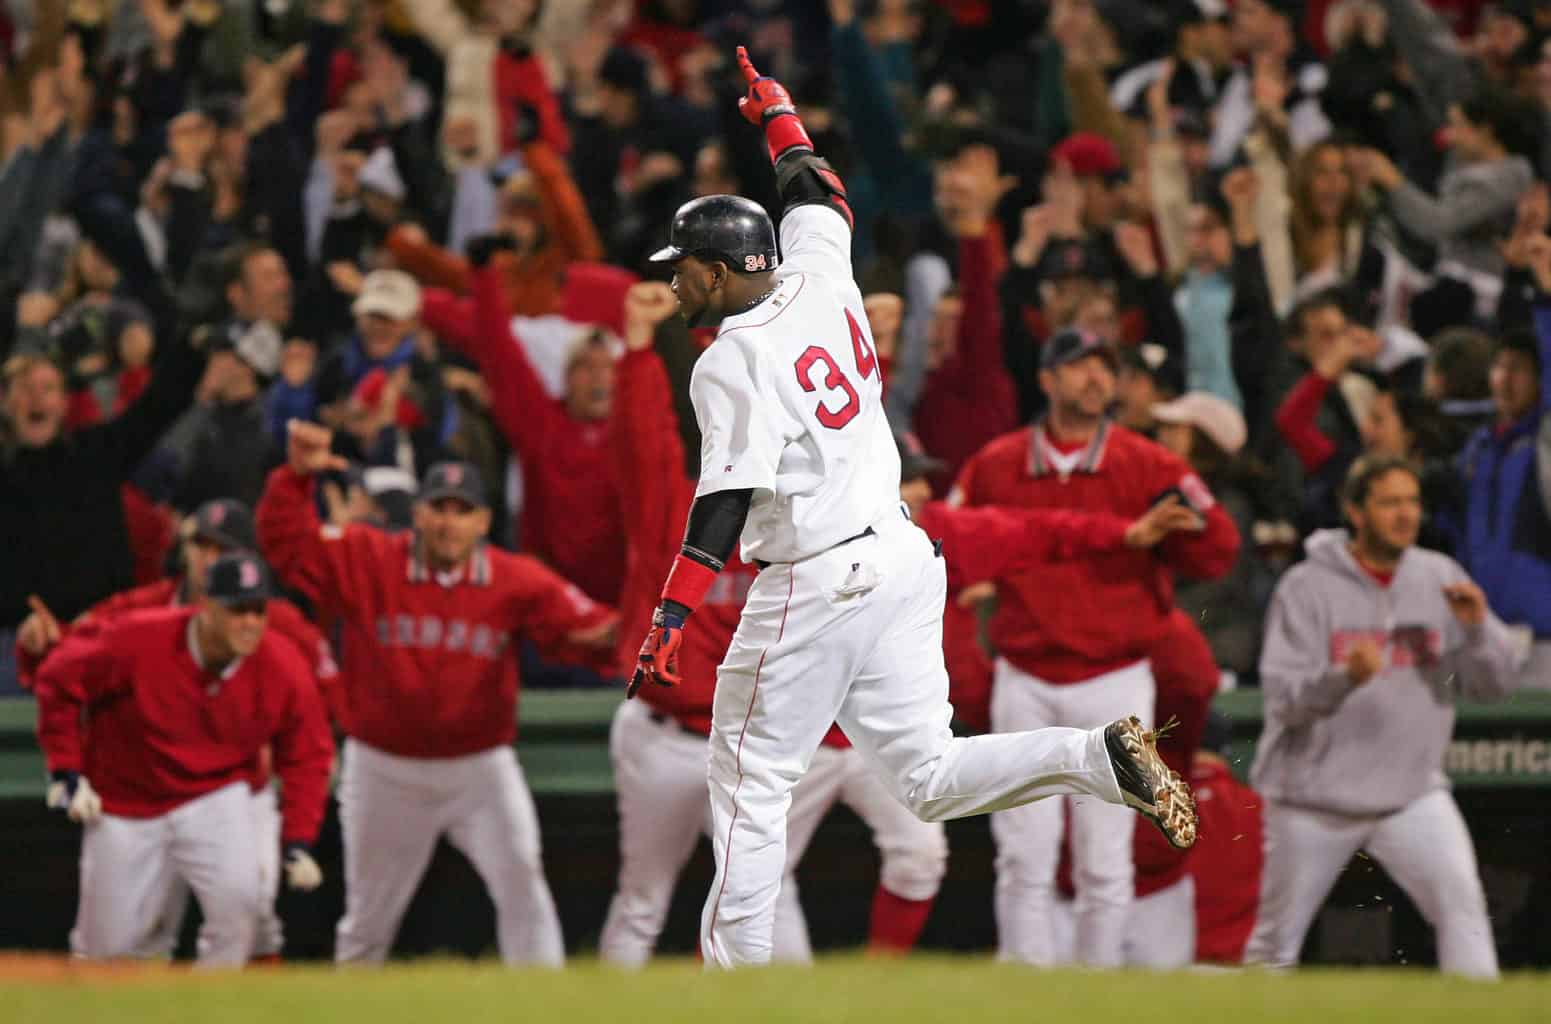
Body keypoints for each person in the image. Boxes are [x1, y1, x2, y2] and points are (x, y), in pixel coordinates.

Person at [632, 49, 1199, 970]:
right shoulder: (819, 273)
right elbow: (820, 190)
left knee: (749, 781)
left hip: (814, 577)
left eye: (687, 267)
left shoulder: (728, 357)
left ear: (728, 266)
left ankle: (730, 990)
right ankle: (1096, 758)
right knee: (928, 778)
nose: (675, 282)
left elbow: (728, 496)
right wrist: (776, 111)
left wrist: (672, 611)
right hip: (898, 558)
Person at [256, 427, 617, 966]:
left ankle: (545, 1003)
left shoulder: (516, 579)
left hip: (479, 770)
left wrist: (655, 619)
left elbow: (591, 631)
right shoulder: (369, 557)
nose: (449, 522)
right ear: (418, 514)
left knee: (523, 882)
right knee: (367, 921)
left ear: (483, 522)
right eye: (438, 509)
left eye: (461, 510)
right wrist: (294, 479)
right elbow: (288, 547)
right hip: (384, 769)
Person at [951, 327, 1240, 967]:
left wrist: (1186, 527)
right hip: (1023, 678)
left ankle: (1096, 998)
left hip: (1115, 680)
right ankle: (1028, 1001)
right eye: (1079, 367)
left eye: (1104, 368)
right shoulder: (996, 464)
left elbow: (1219, 547)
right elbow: (949, 540)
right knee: (1023, 854)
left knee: (1105, 857)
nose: (1095, 379)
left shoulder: (1149, 464)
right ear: (1048, 380)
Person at [14, 498, 340, 960]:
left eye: (256, 610)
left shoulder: (282, 652)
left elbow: (310, 743)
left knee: (246, 907)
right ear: (205, 605)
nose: (249, 623)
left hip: (221, 792)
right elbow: (60, 674)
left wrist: (300, 838)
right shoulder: (140, 631)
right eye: (236, 610)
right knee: (107, 950)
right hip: (128, 800)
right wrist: (66, 769)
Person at [1246, 455, 1524, 979]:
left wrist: (1480, 630)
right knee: (1274, 945)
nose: (1406, 514)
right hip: (1312, 799)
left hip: (1411, 794)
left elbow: (1497, 685)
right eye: (1390, 502)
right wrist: (1341, 678)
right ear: (1355, 510)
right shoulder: (1305, 587)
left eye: (1412, 501)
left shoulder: (1440, 577)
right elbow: (1282, 701)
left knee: (1465, 915)